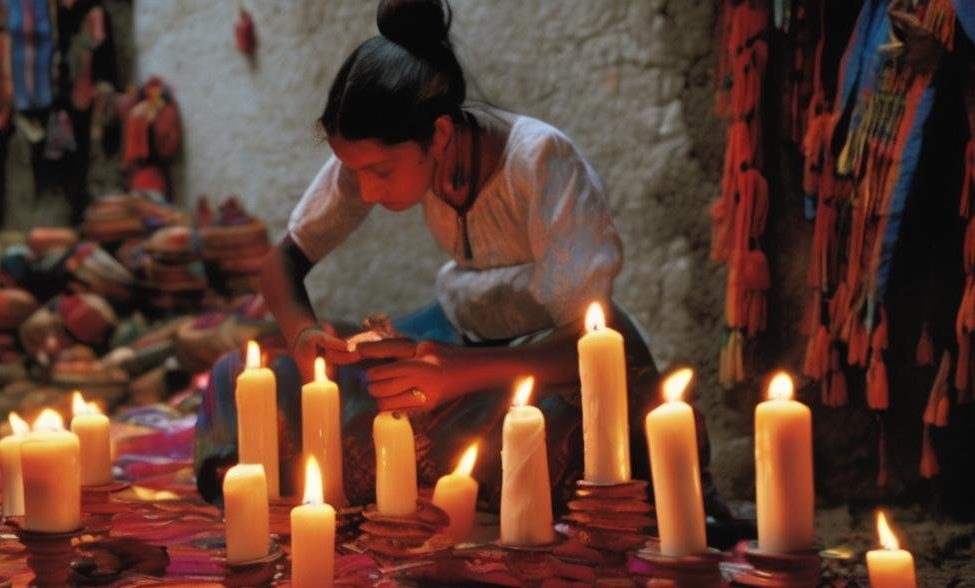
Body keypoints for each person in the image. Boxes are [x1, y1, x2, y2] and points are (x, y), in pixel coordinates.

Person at [195, 0, 724, 525]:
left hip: (551, 359)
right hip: (452, 335)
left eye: (380, 171)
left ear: (441, 134)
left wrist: (459, 374)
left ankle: (406, 483)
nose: (365, 189)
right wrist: (305, 336)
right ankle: (394, 478)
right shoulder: (372, 158)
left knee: (552, 438)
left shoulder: (540, 160)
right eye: (355, 172)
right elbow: (280, 264)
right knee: (244, 373)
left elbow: (592, 346)